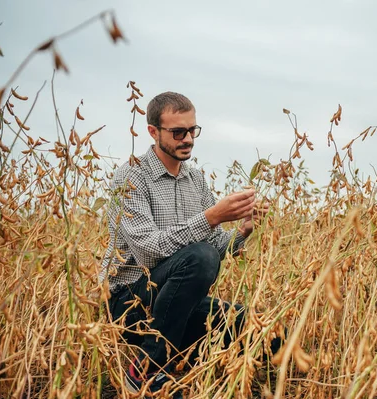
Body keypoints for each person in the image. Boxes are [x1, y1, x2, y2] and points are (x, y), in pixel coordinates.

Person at [100, 92, 267, 397]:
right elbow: (149, 251)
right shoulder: (131, 176)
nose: (188, 139)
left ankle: (177, 354)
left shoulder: (196, 180)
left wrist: (243, 231)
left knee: (257, 326)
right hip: (129, 303)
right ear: (153, 132)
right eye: (178, 132)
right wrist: (211, 216)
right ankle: (147, 370)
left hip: (175, 302)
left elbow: (214, 246)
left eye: (193, 130)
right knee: (200, 257)